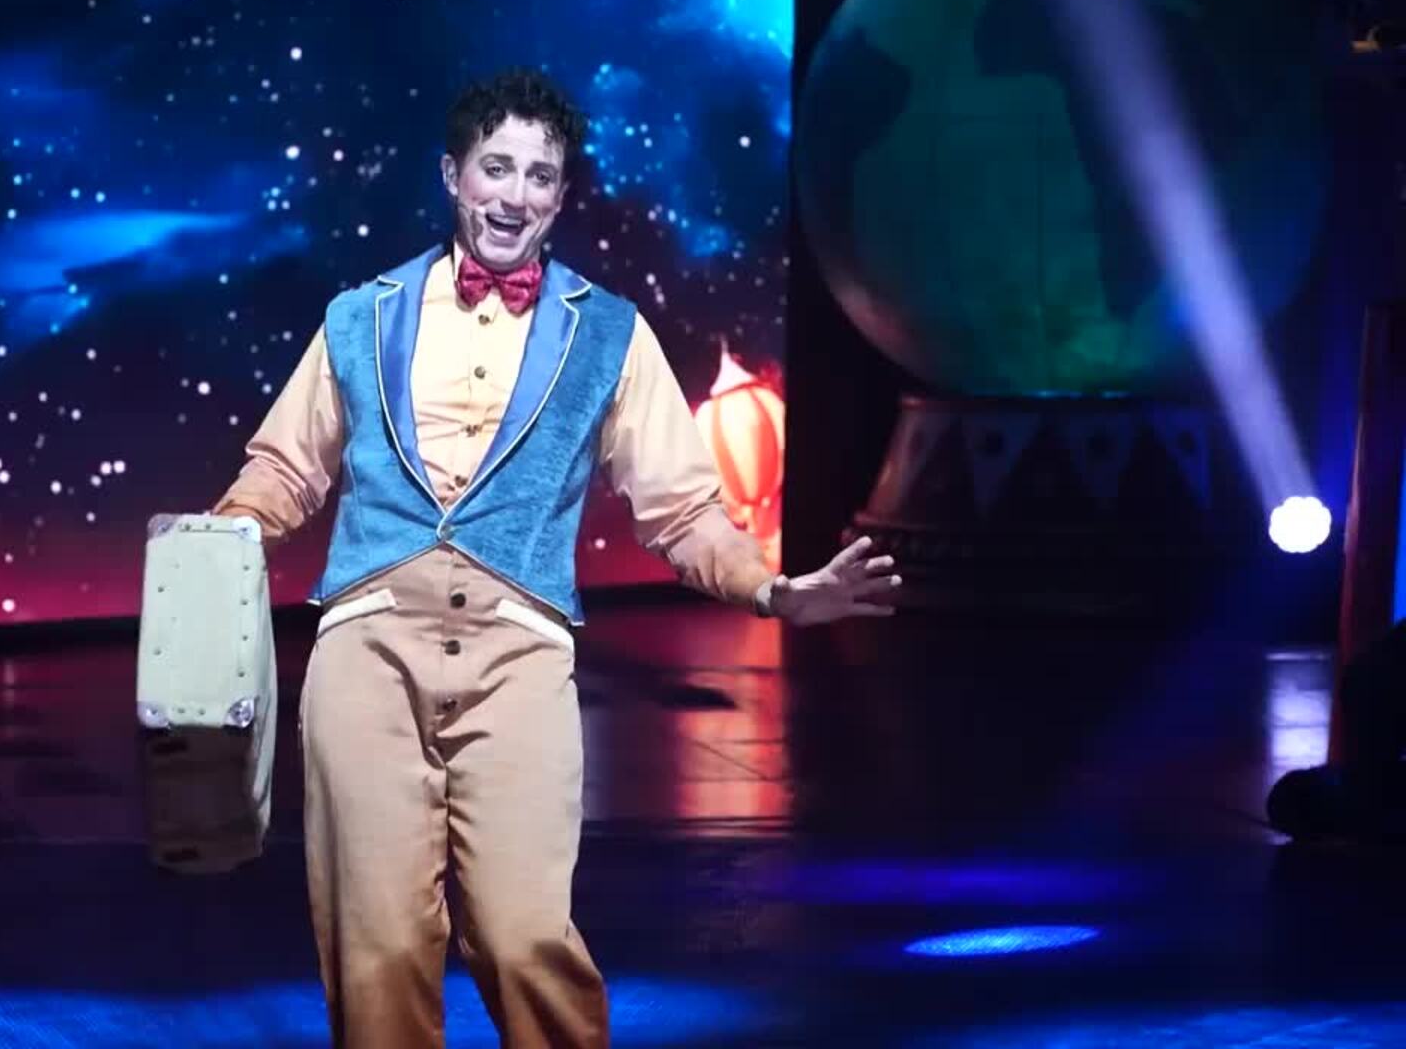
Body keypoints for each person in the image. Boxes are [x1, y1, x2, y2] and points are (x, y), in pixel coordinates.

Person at [212, 68, 900, 1049]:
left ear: (562, 195)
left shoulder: (610, 333)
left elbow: (685, 511)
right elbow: (284, 468)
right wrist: (227, 535)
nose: (515, 194)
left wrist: (773, 590)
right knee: (378, 947)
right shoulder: (360, 316)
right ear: (452, 175)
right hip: (368, 648)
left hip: (519, 658)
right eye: (496, 168)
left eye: (540, 176)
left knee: (523, 936)